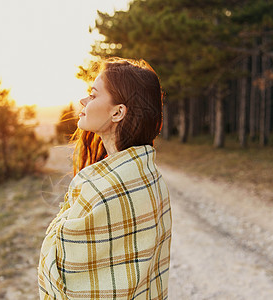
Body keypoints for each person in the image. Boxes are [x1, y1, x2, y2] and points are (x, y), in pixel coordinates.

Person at [38, 58, 172, 299]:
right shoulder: (151, 177)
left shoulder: (99, 186)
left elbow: (63, 266)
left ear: (118, 112)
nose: (83, 101)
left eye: (93, 95)